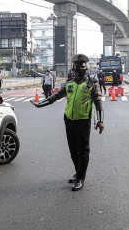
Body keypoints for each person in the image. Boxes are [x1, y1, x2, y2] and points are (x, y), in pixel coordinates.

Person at [31, 54, 104, 191]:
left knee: (83, 151)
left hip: (83, 121)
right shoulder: (69, 84)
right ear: (73, 69)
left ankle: (81, 178)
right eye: (77, 68)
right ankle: (78, 173)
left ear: (86, 69)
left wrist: (100, 121)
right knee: (73, 150)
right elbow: (55, 97)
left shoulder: (91, 84)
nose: (80, 71)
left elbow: (98, 102)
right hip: (69, 121)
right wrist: (40, 104)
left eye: (82, 68)